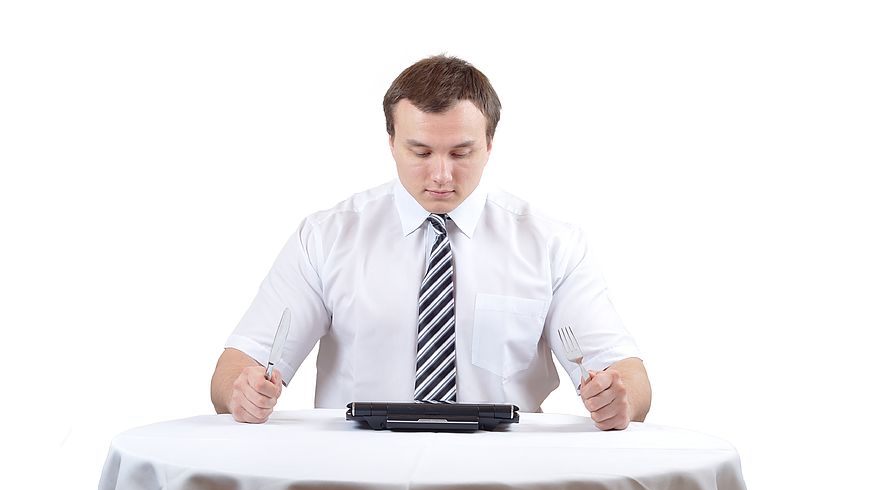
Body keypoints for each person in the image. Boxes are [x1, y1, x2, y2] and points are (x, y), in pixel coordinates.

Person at [211, 54, 651, 429]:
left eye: (461, 152)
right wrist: (243, 392)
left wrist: (620, 400)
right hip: (354, 478)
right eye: (420, 152)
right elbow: (234, 370)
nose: (441, 175)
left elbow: (628, 379)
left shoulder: (552, 244)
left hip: (505, 479)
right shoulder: (326, 238)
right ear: (391, 143)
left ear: (490, 144)